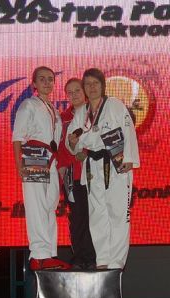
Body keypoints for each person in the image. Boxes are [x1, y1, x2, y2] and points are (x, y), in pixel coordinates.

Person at [66, 68, 140, 269]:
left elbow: (128, 130)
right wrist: (73, 143)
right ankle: (102, 260)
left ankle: (116, 262)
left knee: (118, 213)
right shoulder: (81, 112)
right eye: (87, 84)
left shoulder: (115, 105)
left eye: (95, 83)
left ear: (103, 86)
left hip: (116, 163)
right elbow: (71, 142)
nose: (91, 87)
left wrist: (130, 158)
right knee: (97, 214)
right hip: (93, 166)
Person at [12, 66, 70, 271]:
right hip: (34, 154)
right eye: (42, 79)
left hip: (52, 158)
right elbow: (17, 137)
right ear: (34, 84)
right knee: (36, 205)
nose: (47, 82)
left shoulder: (54, 109)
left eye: (50, 79)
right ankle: (38, 255)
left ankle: (49, 253)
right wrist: (19, 165)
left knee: (50, 205)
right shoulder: (28, 104)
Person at [57, 78, 96, 269]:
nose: (74, 95)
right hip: (73, 175)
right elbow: (60, 148)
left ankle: (97, 257)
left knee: (95, 216)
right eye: (70, 92)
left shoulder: (95, 112)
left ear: (85, 91)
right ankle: (81, 258)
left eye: (77, 90)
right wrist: (62, 171)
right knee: (78, 217)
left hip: (95, 174)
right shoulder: (63, 118)